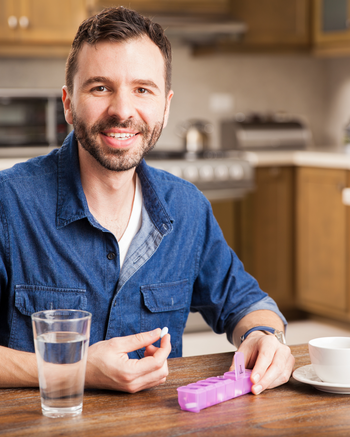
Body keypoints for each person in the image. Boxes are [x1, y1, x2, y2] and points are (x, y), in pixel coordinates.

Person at [0, 7, 294, 395]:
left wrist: (266, 337)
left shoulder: (187, 208)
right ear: (69, 104)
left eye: (142, 89)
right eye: (100, 87)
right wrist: (77, 369)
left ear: (166, 106)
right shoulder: (10, 202)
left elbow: (247, 303)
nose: (123, 111)